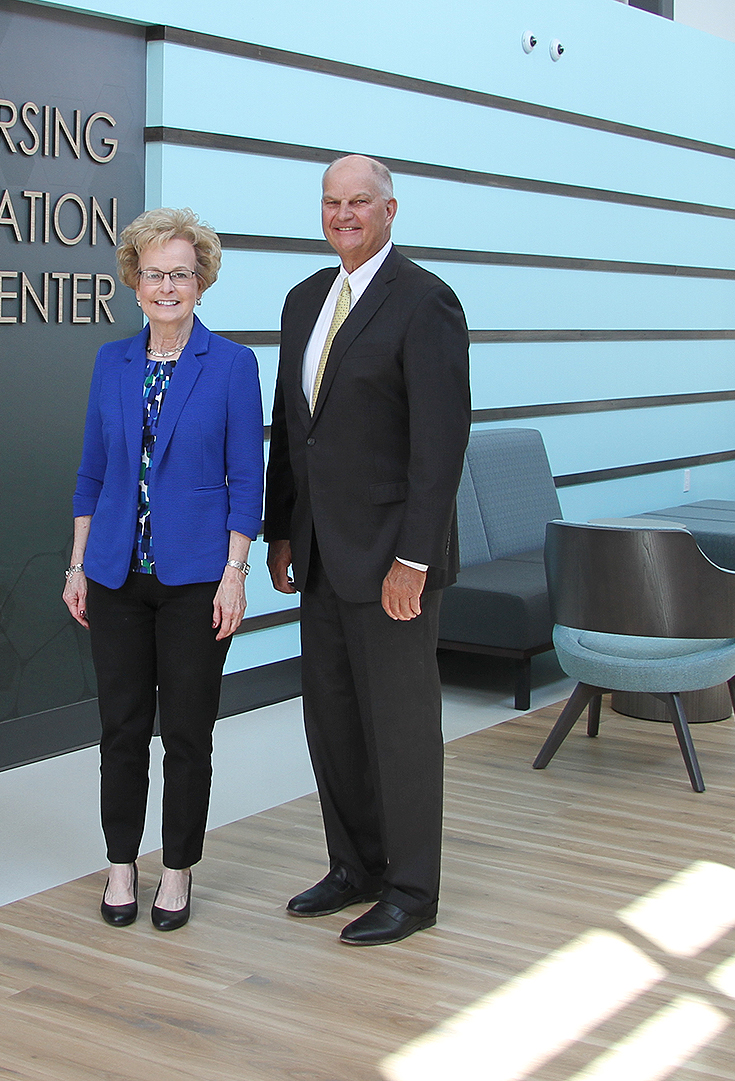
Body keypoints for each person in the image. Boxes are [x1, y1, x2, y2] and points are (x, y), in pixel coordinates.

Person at [264, 155, 471, 947]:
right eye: (331, 202)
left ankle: (412, 888)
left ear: (390, 210)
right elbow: (292, 427)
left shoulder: (426, 302)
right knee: (335, 722)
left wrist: (414, 559)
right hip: (320, 552)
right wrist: (282, 525)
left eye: (359, 202)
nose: (343, 214)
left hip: (392, 562)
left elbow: (440, 445)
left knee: (401, 729)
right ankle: (355, 866)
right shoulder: (304, 300)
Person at [64, 207, 265, 932]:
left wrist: (236, 572)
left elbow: (249, 478)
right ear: (135, 281)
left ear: (201, 281)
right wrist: (78, 564)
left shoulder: (234, 365)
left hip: (197, 580)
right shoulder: (110, 361)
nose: (168, 286)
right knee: (120, 727)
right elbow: (91, 472)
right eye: (155, 274)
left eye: (182, 273)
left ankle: (176, 869)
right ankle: (123, 863)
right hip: (116, 576)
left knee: (187, 731)